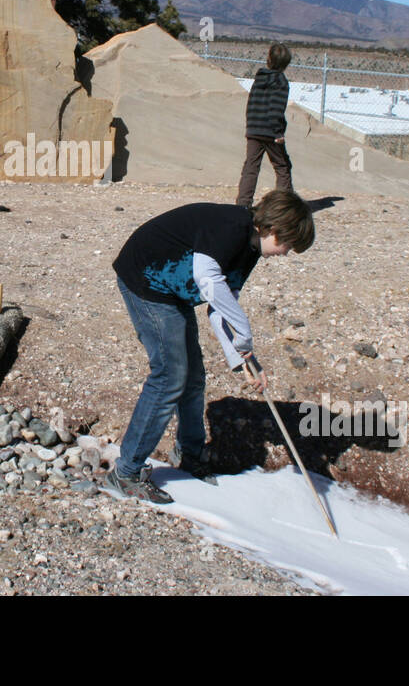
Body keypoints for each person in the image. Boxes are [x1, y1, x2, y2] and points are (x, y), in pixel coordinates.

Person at [107, 189, 315, 503]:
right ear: (274, 229)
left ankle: (190, 453)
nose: (285, 253)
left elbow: (220, 307)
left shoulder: (250, 250)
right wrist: (244, 332)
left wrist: (244, 359)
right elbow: (207, 279)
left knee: (193, 378)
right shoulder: (230, 227)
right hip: (146, 281)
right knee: (169, 377)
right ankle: (125, 472)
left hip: (171, 293)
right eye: (287, 245)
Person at [236, 42, 294, 209]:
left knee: (251, 167)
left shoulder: (259, 78)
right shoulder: (281, 81)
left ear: (269, 59)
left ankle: (243, 205)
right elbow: (276, 109)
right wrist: (278, 133)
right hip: (270, 131)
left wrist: (251, 126)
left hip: (253, 128)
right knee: (282, 166)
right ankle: (283, 206)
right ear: (285, 64)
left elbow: (251, 103)